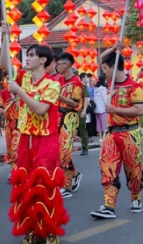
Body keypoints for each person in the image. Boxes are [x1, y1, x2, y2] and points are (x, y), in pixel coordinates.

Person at [3, 43, 68, 244]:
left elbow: (40, 109)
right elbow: (4, 63)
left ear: (43, 60)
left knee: (45, 186)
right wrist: (4, 37)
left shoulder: (53, 84)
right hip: (25, 139)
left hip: (46, 140)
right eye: (27, 54)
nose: (27, 58)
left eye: (31, 55)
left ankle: (49, 230)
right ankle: (32, 228)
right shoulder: (24, 78)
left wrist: (20, 92)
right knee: (26, 186)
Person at [91, 45, 143, 219]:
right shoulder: (110, 83)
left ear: (113, 67)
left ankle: (135, 196)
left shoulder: (134, 87)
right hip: (111, 135)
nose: (103, 72)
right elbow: (101, 58)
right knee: (107, 167)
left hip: (130, 134)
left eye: (105, 69)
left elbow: (139, 110)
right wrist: (114, 48)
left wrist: (115, 109)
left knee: (133, 171)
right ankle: (109, 206)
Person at [55, 52, 83, 199]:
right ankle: (75, 174)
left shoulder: (76, 81)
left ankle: (67, 185)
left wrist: (58, 96)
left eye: (59, 64)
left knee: (65, 150)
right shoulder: (60, 80)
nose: (56, 66)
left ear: (66, 65)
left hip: (70, 116)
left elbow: (75, 103)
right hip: (59, 116)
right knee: (60, 151)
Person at [77, 73, 91, 155]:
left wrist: (84, 111)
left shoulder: (82, 85)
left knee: (82, 130)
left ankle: (85, 148)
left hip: (80, 110)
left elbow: (86, 98)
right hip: (70, 111)